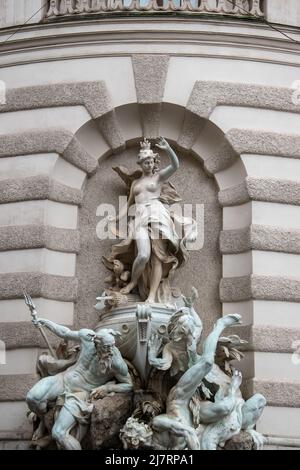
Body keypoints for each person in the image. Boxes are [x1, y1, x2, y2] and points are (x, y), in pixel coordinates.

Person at [105, 137, 197, 304]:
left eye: (150, 161)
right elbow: (129, 204)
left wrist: (168, 149)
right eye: (145, 162)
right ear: (140, 163)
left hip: (157, 216)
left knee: (157, 258)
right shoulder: (135, 184)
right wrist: (116, 217)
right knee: (143, 255)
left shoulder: (159, 178)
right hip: (140, 218)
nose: (148, 164)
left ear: (154, 161)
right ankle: (133, 281)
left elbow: (176, 165)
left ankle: (152, 296)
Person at [26, 317, 132, 450]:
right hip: (63, 379)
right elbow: (65, 333)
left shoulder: (116, 362)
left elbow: (129, 385)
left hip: (79, 394)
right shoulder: (87, 337)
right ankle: (43, 420)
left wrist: (107, 387)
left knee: (59, 433)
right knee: (32, 397)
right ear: (96, 342)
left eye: (112, 345)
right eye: (106, 347)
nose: (110, 350)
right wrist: (45, 322)